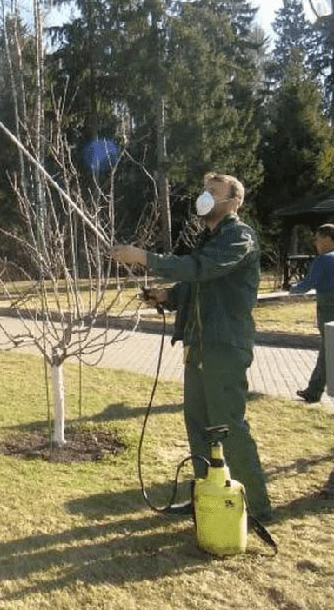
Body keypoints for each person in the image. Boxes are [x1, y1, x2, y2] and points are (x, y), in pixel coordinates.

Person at [111, 172, 272, 522]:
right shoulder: (209, 238)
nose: (205, 197)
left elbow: (201, 269)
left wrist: (144, 257)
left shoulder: (239, 237)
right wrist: (168, 295)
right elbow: (196, 285)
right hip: (198, 346)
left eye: (214, 192)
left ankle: (256, 506)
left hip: (224, 346)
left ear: (234, 201)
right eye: (204, 191)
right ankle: (206, 496)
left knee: (228, 424)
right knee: (198, 424)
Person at [289, 223, 334, 404]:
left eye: (317, 238)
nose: (315, 242)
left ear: (328, 238)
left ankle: (314, 391)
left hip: (328, 306)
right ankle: (313, 390)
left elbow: (307, 284)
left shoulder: (324, 259)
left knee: (327, 349)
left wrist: (293, 289)